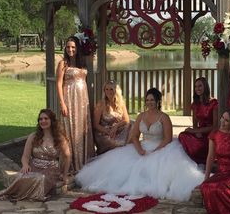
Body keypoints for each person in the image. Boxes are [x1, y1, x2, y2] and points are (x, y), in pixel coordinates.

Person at [75, 88, 204, 201]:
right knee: (121, 167)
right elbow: (134, 136)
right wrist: (139, 149)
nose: (149, 102)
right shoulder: (141, 116)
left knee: (155, 168)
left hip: (162, 147)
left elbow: (167, 139)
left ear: (158, 101)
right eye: (147, 100)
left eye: (152, 100)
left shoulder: (164, 117)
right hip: (143, 146)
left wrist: (155, 152)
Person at [0, 109, 71, 202]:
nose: (43, 121)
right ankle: (14, 194)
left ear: (52, 121)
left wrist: (64, 174)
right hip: (34, 165)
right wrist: (25, 165)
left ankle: (30, 195)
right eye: (40, 119)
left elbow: (67, 156)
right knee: (21, 177)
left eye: (46, 118)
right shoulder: (33, 136)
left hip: (51, 169)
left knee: (40, 178)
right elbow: (25, 156)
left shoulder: (59, 138)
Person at [56, 36, 94, 172]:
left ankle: (85, 160)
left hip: (82, 101)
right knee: (70, 128)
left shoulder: (82, 63)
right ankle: (72, 163)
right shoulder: (63, 63)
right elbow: (59, 83)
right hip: (70, 99)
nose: (70, 49)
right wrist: (62, 103)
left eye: (73, 47)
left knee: (82, 127)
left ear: (77, 48)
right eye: (68, 47)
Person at [178, 77, 218, 164]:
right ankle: (193, 158)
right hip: (200, 132)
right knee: (182, 135)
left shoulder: (213, 103)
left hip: (210, 132)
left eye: (200, 86)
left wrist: (196, 130)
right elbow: (195, 124)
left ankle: (203, 158)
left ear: (205, 87)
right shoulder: (195, 104)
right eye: (196, 87)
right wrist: (195, 132)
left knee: (200, 142)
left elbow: (215, 126)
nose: (197, 88)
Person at [93, 80, 132, 155]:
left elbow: (126, 120)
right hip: (104, 133)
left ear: (116, 90)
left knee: (132, 125)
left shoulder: (121, 103)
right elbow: (95, 125)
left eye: (111, 89)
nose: (108, 91)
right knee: (120, 143)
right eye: (106, 89)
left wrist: (116, 127)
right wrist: (108, 131)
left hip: (117, 130)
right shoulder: (101, 104)